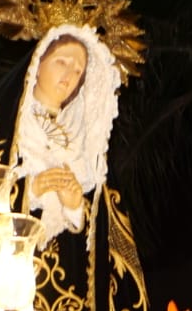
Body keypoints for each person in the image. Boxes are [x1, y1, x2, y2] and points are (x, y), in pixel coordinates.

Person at [13, 25, 123, 235]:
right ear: (38, 62)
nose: (69, 75)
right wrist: (32, 190)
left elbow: (97, 238)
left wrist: (74, 206)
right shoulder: (11, 124)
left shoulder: (86, 142)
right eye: (61, 62)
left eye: (77, 71)